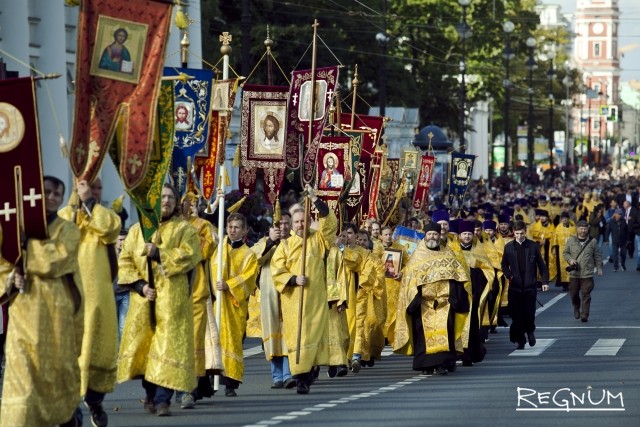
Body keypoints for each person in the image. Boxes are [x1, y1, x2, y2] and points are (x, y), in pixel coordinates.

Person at [0, 175, 84, 426]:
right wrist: (12, 279)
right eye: (46, 191)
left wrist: (27, 248)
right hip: (23, 315)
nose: (50, 197)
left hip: (56, 313)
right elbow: (4, 264)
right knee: (22, 378)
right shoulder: (15, 230)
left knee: (57, 374)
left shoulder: (67, 229)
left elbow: (57, 259)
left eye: (56, 194)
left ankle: (69, 417)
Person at [116, 183, 202, 416]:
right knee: (146, 350)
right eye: (162, 197)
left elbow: (191, 255)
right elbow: (125, 261)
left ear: (176, 203)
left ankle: (164, 400)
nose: (166, 201)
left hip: (171, 301)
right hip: (143, 301)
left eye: (170, 198)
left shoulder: (184, 230)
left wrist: (160, 254)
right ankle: (150, 395)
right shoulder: (136, 231)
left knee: (167, 349)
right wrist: (141, 286)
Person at [59, 177, 121, 427]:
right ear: (76, 187)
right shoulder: (63, 216)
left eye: (98, 188)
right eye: (89, 187)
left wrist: (89, 203)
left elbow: (109, 230)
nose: (95, 192)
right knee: (70, 353)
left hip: (99, 299)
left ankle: (95, 402)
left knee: (99, 350)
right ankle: (71, 408)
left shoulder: (104, 215)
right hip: (68, 297)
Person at [271, 185, 337, 394]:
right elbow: (276, 269)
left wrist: (316, 199)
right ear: (292, 224)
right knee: (298, 340)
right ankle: (301, 378)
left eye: (303, 220)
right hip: (294, 302)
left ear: (309, 220)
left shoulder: (318, 239)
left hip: (315, 300)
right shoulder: (285, 245)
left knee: (313, 339)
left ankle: (311, 371)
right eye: (297, 222)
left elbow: (330, 223)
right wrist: (292, 279)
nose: (300, 225)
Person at [394, 222, 471, 375]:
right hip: (423, 303)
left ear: (438, 235)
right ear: (425, 235)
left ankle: (443, 364)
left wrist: (454, 299)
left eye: (435, 234)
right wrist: (414, 299)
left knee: (446, 333)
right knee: (423, 335)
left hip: (445, 303)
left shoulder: (448, 254)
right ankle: (426, 365)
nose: (432, 237)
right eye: (429, 234)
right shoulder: (417, 255)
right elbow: (409, 281)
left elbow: (458, 277)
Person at [210, 212, 259, 397]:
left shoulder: (249, 255)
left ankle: (230, 383)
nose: (232, 230)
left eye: (237, 227)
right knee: (214, 341)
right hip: (216, 303)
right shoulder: (220, 248)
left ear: (245, 230)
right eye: (230, 227)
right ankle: (211, 378)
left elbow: (248, 279)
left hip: (234, 305)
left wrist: (229, 285)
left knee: (233, 342)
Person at [176, 192, 217, 409]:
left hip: (197, 289)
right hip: (172, 291)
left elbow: (206, 250)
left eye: (193, 202)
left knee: (193, 341)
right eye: (185, 202)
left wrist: (190, 234)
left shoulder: (202, 225)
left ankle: (189, 388)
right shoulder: (170, 224)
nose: (189, 205)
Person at [253, 214, 296, 389]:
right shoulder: (264, 242)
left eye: (287, 223)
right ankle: (277, 375)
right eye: (279, 224)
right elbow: (254, 260)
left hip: (289, 293)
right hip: (270, 295)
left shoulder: (296, 242)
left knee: (289, 334)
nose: (283, 227)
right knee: (272, 335)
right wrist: (270, 242)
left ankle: (288, 373)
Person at [501, 220, 549, 350]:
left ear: (525, 232)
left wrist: (544, 282)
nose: (519, 236)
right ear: (513, 233)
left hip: (529, 287)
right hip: (515, 287)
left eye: (521, 233)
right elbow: (504, 264)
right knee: (516, 316)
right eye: (517, 233)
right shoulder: (509, 247)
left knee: (529, 313)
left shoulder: (533, 246)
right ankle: (520, 340)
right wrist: (509, 275)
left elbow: (542, 266)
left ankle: (530, 331)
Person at [564, 220, 604, 322]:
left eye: (585, 228)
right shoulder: (570, 240)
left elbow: (597, 256)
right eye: (581, 228)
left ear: (588, 229)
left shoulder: (593, 241)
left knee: (586, 294)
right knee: (573, 294)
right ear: (577, 229)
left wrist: (599, 268)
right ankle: (576, 307)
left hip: (587, 273)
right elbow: (565, 253)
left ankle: (585, 314)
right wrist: (570, 260)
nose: (583, 231)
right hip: (574, 274)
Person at [380, 225, 409, 347]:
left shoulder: (400, 248)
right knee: (381, 312)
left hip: (395, 284)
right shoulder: (376, 248)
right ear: (380, 236)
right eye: (385, 234)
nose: (388, 237)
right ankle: (382, 337)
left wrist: (401, 273)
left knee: (395, 312)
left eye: (390, 234)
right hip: (381, 285)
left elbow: (409, 264)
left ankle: (394, 336)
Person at [552, 212, 577, 291]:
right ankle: (564, 285)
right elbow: (554, 239)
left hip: (571, 250)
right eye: (563, 218)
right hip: (561, 250)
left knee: (571, 266)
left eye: (566, 218)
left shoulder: (573, 228)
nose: (564, 220)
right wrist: (554, 249)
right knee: (562, 268)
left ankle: (572, 283)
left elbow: (576, 239)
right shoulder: (558, 228)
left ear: (568, 219)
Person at [114, 228, 129, 345]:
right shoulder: (110, 254)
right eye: (120, 240)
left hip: (126, 294)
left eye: (124, 240)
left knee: (123, 327)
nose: (122, 243)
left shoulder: (129, 254)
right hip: (112, 294)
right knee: (113, 327)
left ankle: (120, 357)